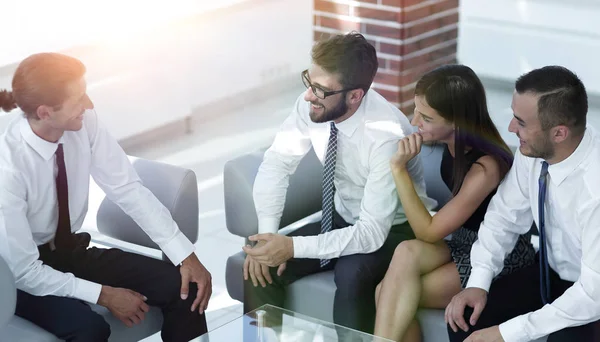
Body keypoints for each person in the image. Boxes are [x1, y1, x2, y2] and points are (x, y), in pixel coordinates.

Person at [0, 53, 212, 342]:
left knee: (186, 287)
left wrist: (186, 255)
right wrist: (104, 295)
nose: (89, 104)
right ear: (45, 112)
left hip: (69, 250)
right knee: (90, 330)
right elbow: (25, 271)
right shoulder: (8, 167)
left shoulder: (84, 122)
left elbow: (127, 189)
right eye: (78, 100)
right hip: (18, 274)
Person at [241, 32, 437, 333]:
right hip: (343, 216)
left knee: (352, 273)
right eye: (309, 80)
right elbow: (277, 163)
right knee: (257, 261)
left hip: (395, 229)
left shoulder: (385, 136)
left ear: (354, 95)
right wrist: (269, 238)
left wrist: (292, 247)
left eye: (320, 90)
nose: (309, 95)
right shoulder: (313, 103)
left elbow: (371, 233)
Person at [372, 65, 535, 341]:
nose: (414, 122)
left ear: (457, 122)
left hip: (498, 253)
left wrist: (399, 170)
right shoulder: (452, 144)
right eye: (416, 111)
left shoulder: (486, 167)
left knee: (389, 293)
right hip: (461, 241)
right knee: (405, 252)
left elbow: (429, 231)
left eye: (426, 117)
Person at [445, 65, 600, 342]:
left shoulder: (595, 188)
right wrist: (478, 282)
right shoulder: (533, 152)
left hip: (591, 293)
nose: (510, 128)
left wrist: (506, 334)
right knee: (467, 320)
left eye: (521, 122)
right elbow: (503, 217)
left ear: (559, 133)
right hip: (548, 272)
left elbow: (591, 293)